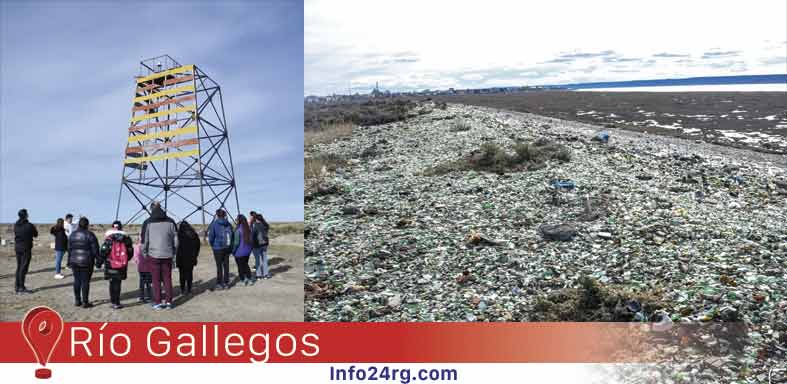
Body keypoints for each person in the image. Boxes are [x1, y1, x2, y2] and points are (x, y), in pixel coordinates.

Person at [140, 202, 178, 310]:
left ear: (152, 210)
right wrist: (173, 251)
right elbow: (176, 240)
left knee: (155, 279)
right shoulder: (171, 221)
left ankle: (157, 302)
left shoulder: (147, 222)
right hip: (167, 254)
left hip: (153, 255)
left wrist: (145, 254)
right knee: (167, 278)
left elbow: (144, 241)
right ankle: (169, 302)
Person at [99, 221, 133, 309]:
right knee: (118, 283)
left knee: (112, 282)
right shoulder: (127, 239)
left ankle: (113, 301)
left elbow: (103, 252)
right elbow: (130, 252)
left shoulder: (109, 238)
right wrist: (125, 260)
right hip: (122, 265)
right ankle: (117, 302)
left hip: (110, 264)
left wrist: (99, 262)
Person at [67, 217, 99, 307]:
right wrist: (99, 260)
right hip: (87, 262)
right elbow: (95, 250)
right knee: (85, 281)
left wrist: (69, 261)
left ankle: (77, 301)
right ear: (87, 225)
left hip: (74, 261)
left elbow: (69, 249)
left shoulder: (72, 235)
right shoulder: (90, 234)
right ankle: (85, 302)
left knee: (77, 280)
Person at [207, 209, 233, 290]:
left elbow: (211, 236)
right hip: (227, 247)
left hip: (217, 247)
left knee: (219, 266)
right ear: (224, 215)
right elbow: (232, 235)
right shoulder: (228, 224)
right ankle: (226, 283)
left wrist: (212, 245)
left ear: (217, 215)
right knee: (226, 265)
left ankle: (219, 283)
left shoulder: (214, 224)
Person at [14, 209, 38, 294]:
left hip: (17, 248)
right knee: (23, 268)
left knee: (19, 267)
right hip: (25, 249)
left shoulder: (16, 225)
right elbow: (36, 234)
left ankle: (17, 287)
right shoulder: (29, 225)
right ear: (25, 215)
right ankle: (21, 287)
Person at [176, 220, 200, 295]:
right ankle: (189, 289)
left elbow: (175, 246)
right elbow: (198, 246)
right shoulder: (194, 234)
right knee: (189, 274)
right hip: (191, 257)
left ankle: (182, 290)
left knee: (182, 274)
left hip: (181, 258)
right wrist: (195, 255)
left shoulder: (179, 235)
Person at [232, 214, 254, 286]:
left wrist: (233, 251)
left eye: (237, 220)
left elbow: (236, 243)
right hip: (247, 252)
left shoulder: (238, 230)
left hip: (239, 252)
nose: (236, 221)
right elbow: (251, 241)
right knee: (246, 265)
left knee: (240, 267)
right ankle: (249, 279)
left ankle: (243, 280)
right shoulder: (249, 229)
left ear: (239, 221)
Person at [132, 235, 153, 303]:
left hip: (141, 268)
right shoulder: (148, 246)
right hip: (148, 268)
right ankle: (149, 296)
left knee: (142, 283)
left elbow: (135, 258)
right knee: (148, 283)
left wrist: (137, 262)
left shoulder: (135, 247)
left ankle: (142, 297)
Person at [250, 212, 271, 280]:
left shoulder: (255, 226)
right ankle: (266, 274)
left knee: (257, 260)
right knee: (264, 260)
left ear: (256, 219)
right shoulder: (265, 225)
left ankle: (258, 275)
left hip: (257, 245)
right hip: (264, 245)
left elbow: (252, 236)